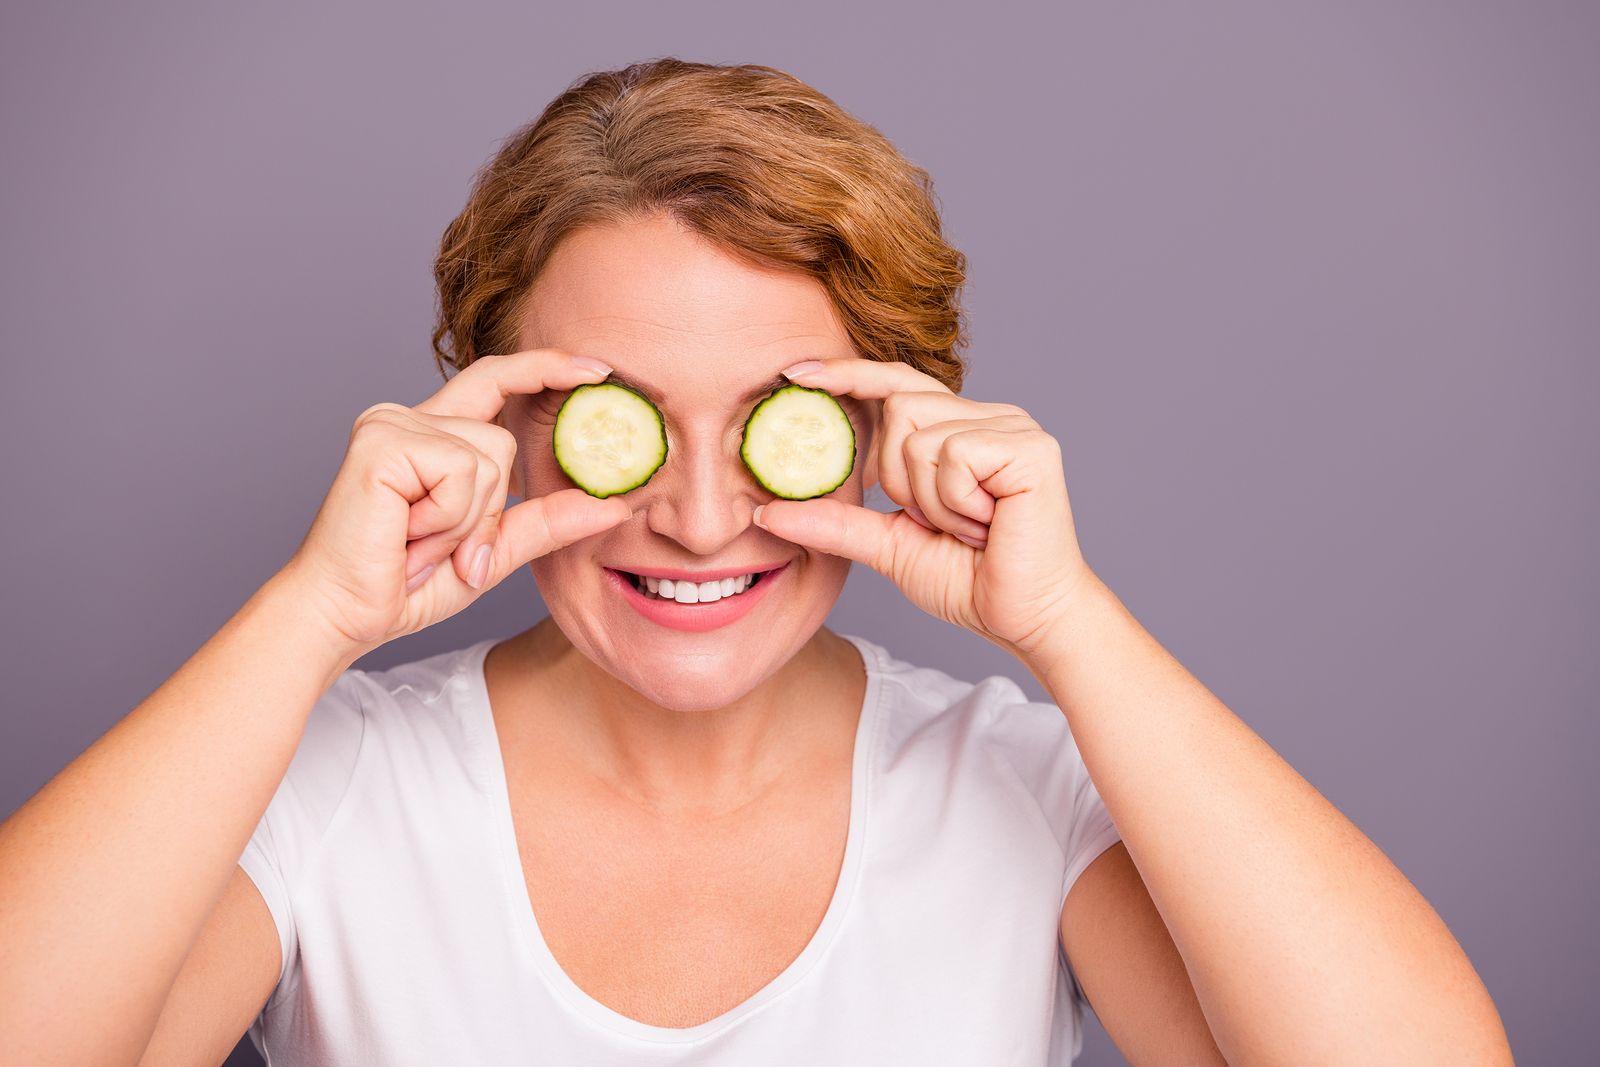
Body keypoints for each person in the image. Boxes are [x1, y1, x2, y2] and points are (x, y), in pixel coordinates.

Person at [0, 58, 1512, 1067]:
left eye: (779, 422)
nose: (705, 520)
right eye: (620, 426)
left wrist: (1070, 627)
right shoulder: (330, 781)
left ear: (893, 426)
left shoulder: (1023, 786)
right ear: (503, 420)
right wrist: (309, 616)